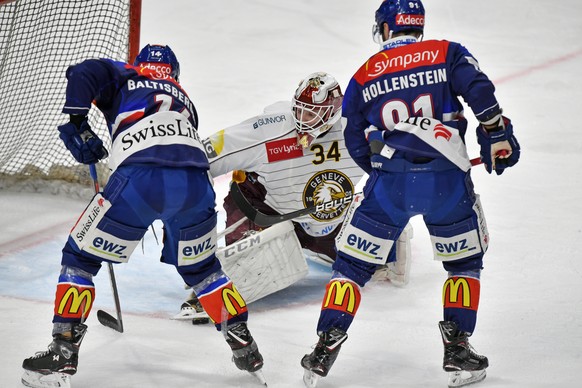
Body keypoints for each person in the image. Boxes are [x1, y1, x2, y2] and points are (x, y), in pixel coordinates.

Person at [300, 1, 521, 387]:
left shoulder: (367, 73)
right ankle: (458, 347)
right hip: (447, 184)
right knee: (463, 265)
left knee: (351, 269)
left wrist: (382, 173)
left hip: (391, 186)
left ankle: (325, 345)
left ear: (385, 29)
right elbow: (480, 90)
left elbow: (354, 136)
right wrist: (496, 133)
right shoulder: (446, 52)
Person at [21, 44, 265, 388]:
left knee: (79, 259)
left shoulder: (129, 74)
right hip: (196, 183)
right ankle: (242, 342)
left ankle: (63, 348)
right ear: (175, 74)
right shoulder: (183, 98)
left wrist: (77, 121)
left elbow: (82, 72)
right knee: (202, 268)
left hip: (140, 179)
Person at [175, 72, 414, 324]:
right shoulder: (270, 129)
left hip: (325, 217)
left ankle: (322, 243)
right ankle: (208, 288)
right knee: (248, 271)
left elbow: (399, 165)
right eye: (299, 111)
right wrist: (172, 175)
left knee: (377, 249)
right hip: (265, 210)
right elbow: (208, 153)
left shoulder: (357, 129)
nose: (301, 120)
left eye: (310, 113)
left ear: (332, 113)